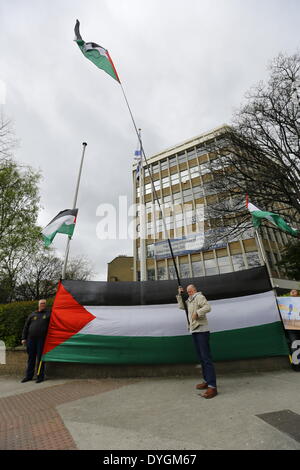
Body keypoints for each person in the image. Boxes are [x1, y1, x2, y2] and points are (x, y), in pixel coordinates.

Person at [177, 284, 217, 399]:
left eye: (191, 290)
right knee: (201, 358)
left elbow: (208, 307)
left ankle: (212, 386)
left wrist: (198, 313)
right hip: (194, 330)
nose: (189, 292)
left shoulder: (199, 297)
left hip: (202, 330)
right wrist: (180, 295)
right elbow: (181, 307)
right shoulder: (189, 301)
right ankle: (206, 380)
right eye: (187, 291)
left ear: (195, 290)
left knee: (206, 358)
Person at [21, 299, 51, 383]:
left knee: (41, 358)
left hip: (42, 340)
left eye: (44, 303)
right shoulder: (32, 314)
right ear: (38, 305)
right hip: (31, 339)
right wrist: (23, 338)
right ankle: (28, 376)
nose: (43, 305)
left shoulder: (48, 314)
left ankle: (40, 376)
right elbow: (26, 327)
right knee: (31, 358)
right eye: (41, 303)